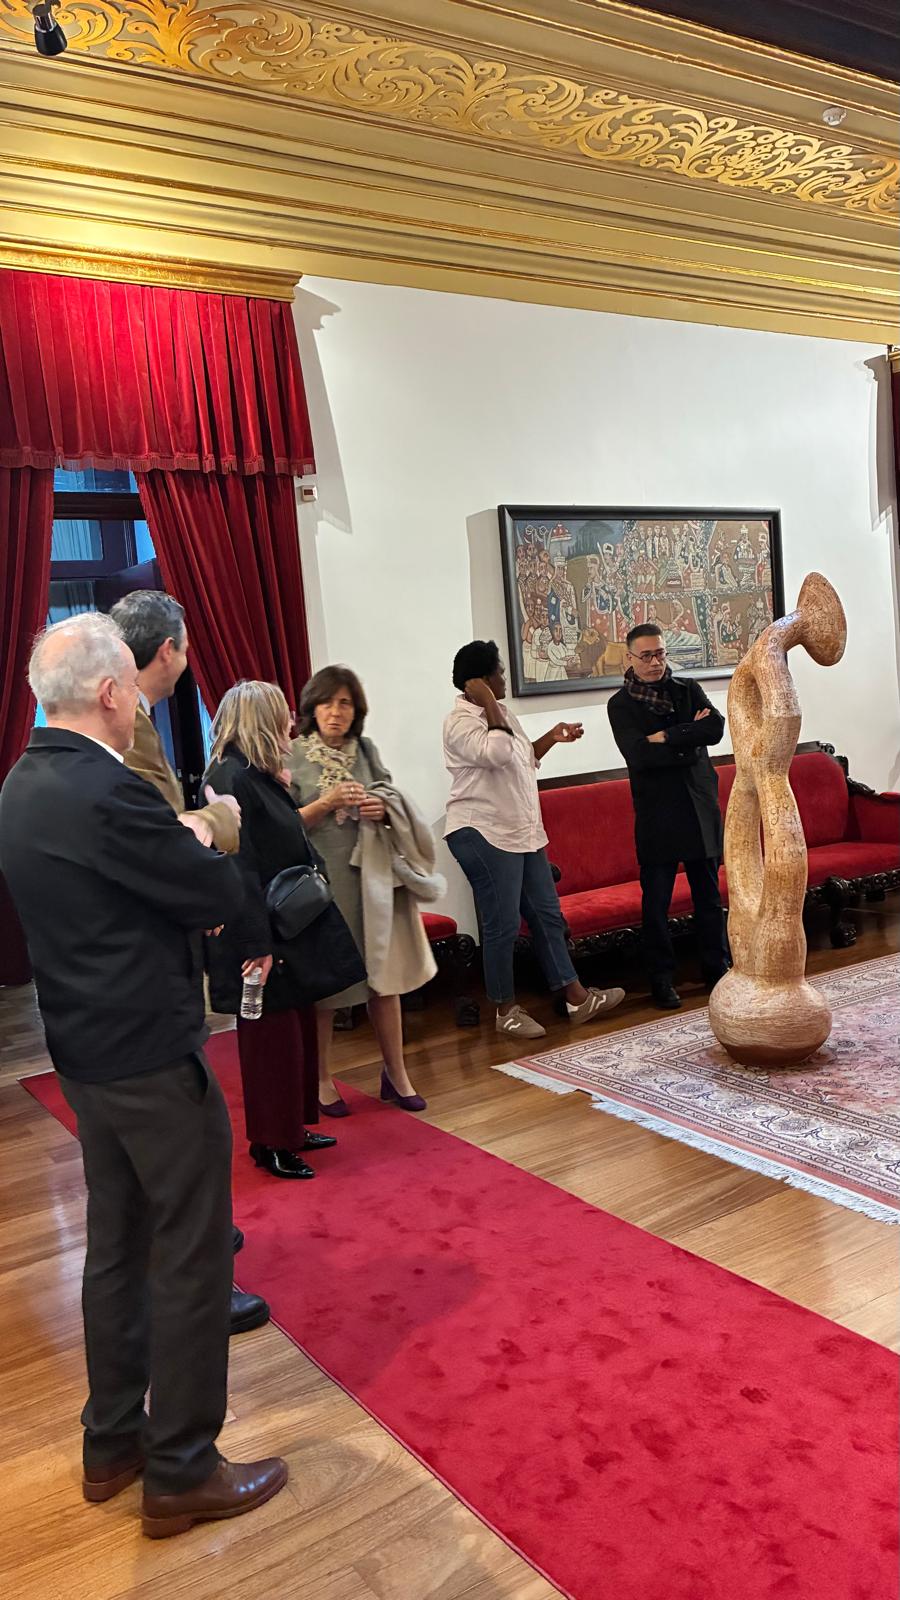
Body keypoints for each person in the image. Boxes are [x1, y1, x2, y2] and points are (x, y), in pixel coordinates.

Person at [0, 614, 287, 1537]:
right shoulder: (109, 789)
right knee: (194, 1253)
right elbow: (215, 893)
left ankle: (113, 1441)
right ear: (110, 692)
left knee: (117, 1248)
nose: (139, 700)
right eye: (132, 682)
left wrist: (180, 838)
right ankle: (183, 1468)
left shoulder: (21, 782)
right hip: (152, 1056)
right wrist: (202, 827)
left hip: (83, 1054)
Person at [110, 589, 268, 1332]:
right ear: (169, 649)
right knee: (188, 1141)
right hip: (148, 978)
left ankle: (195, 1257)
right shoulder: (131, 730)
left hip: (125, 982)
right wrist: (218, 820)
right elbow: (164, 834)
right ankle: (201, 1285)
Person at [203, 679, 362, 1176]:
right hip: (261, 933)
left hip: (287, 929)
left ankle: (291, 1128)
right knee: (270, 1041)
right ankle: (270, 1142)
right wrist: (256, 944)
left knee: (293, 1033)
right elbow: (237, 865)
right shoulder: (230, 777)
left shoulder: (253, 773)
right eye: (281, 716)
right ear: (259, 721)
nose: (290, 724)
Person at [443, 640, 625, 1040]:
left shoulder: (500, 713)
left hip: (521, 832)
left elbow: (521, 758)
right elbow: (496, 754)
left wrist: (551, 738)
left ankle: (577, 998)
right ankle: (504, 1010)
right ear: (480, 680)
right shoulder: (460, 722)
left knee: (547, 915)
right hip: (483, 831)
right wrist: (487, 701)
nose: (504, 677)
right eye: (498, 672)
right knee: (503, 924)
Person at [287, 666, 433, 1117]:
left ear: (357, 711)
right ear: (312, 708)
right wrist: (326, 803)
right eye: (327, 703)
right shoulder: (292, 754)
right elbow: (283, 824)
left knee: (384, 980)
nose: (335, 712)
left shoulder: (366, 750)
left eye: (345, 703)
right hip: (322, 885)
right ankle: (321, 1079)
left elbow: (392, 799)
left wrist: (380, 807)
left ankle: (396, 1074)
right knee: (327, 989)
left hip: (373, 881)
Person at [607, 622, 731, 1010]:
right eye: (646, 656)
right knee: (657, 902)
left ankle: (718, 968)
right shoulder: (621, 705)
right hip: (657, 811)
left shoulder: (686, 689)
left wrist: (666, 737)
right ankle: (661, 979)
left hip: (697, 803)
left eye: (660, 653)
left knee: (708, 896)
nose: (655, 662)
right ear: (630, 659)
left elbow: (714, 729)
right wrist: (687, 737)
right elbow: (638, 754)